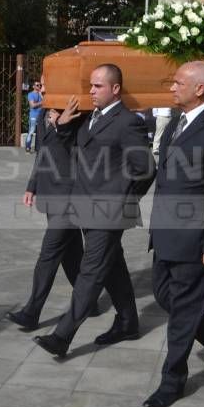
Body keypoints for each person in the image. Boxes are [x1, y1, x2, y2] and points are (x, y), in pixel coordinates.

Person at [32, 64, 155, 359]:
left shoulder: (128, 122)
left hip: (108, 212)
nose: (91, 91)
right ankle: (128, 322)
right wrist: (61, 125)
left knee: (90, 272)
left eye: (98, 86)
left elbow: (147, 168)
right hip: (85, 208)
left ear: (115, 89)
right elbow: (71, 152)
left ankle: (62, 337)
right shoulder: (90, 119)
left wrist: (124, 200)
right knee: (113, 267)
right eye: (90, 85)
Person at [144, 61, 204, 407]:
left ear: (199, 88)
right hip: (167, 235)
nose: (172, 87)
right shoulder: (174, 126)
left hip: (195, 240)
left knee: (182, 313)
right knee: (163, 295)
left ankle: (172, 381)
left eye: (178, 82)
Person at [7, 77, 106, 330]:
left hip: (70, 197)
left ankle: (32, 312)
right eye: (43, 84)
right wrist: (32, 185)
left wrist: (61, 124)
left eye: (48, 83)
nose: (44, 88)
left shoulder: (78, 116)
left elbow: (74, 151)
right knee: (70, 254)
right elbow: (43, 153)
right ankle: (90, 303)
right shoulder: (44, 115)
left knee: (49, 254)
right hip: (52, 194)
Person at [26, 81, 43, 153]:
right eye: (37, 85)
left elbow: (46, 102)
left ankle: (37, 148)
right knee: (31, 131)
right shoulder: (31, 94)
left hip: (41, 116)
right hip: (33, 116)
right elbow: (32, 105)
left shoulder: (41, 94)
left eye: (40, 85)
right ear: (33, 86)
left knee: (40, 132)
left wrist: (41, 95)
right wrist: (41, 103)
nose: (39, 86)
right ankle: (28, 147)